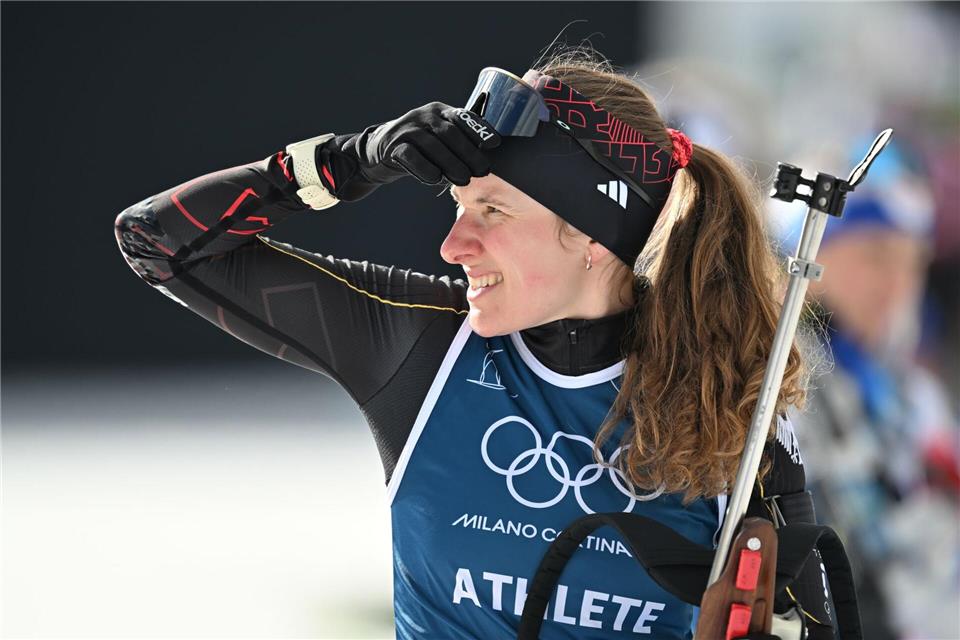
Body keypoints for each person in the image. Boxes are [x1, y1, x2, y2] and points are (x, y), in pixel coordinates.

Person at [115, 51, 837, 639]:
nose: (453, 244)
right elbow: (157, 241)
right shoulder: (423, 344)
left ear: (592, 235)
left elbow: (809, 622)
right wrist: (352, 161)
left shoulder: (728, 397)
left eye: (491, 209)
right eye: (460, 207)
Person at [781, 146, 959, 640]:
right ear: (812, 253)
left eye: (912, 263)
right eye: (875, 256)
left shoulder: (911, 394)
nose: (897, 284)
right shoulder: (776, 382)